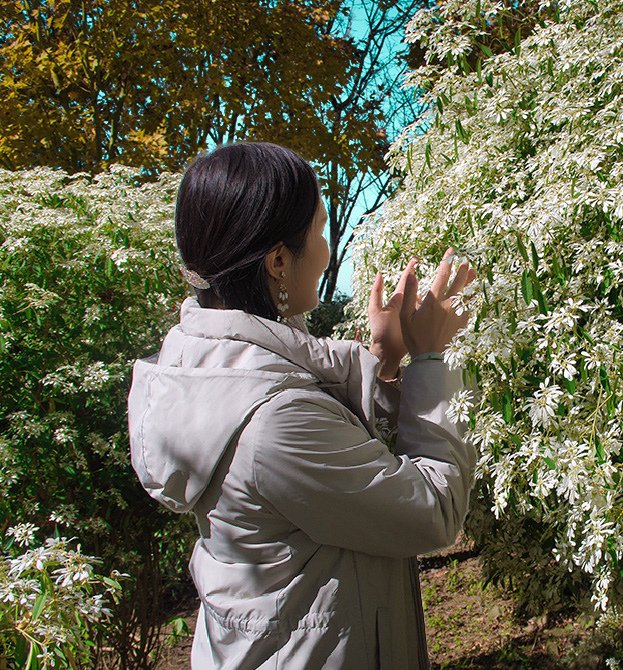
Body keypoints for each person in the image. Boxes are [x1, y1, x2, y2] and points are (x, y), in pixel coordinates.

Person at [127, 141, 476, 669]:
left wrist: (380, 361)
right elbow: (433, 511)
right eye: (319, 231)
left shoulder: (196, 370)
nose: (329, 250)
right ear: (278, 260)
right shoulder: (274, 421)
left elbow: (329, 473)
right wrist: (430, 360)